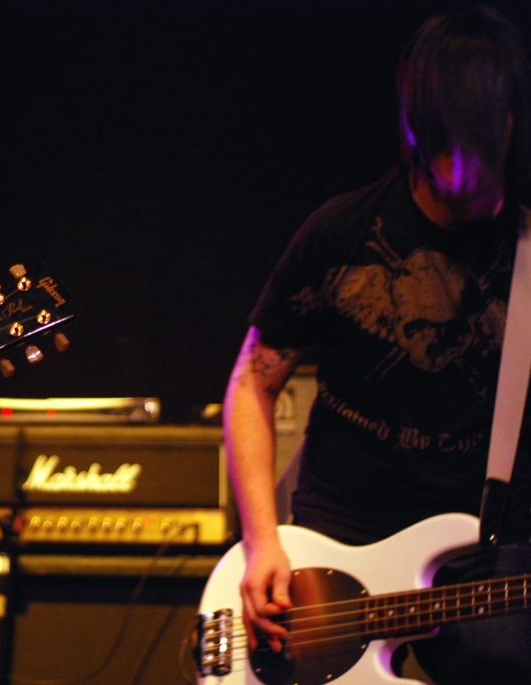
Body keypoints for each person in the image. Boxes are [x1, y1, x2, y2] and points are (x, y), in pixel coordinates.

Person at [223, 8, 531, 684]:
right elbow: (252, 383)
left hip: (489, 549)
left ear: (511, 124)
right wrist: (261, 540)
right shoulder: (341, 233)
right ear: (416, 129)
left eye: (481, 149)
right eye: (450, 150)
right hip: (333, 543)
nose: (465, 175)